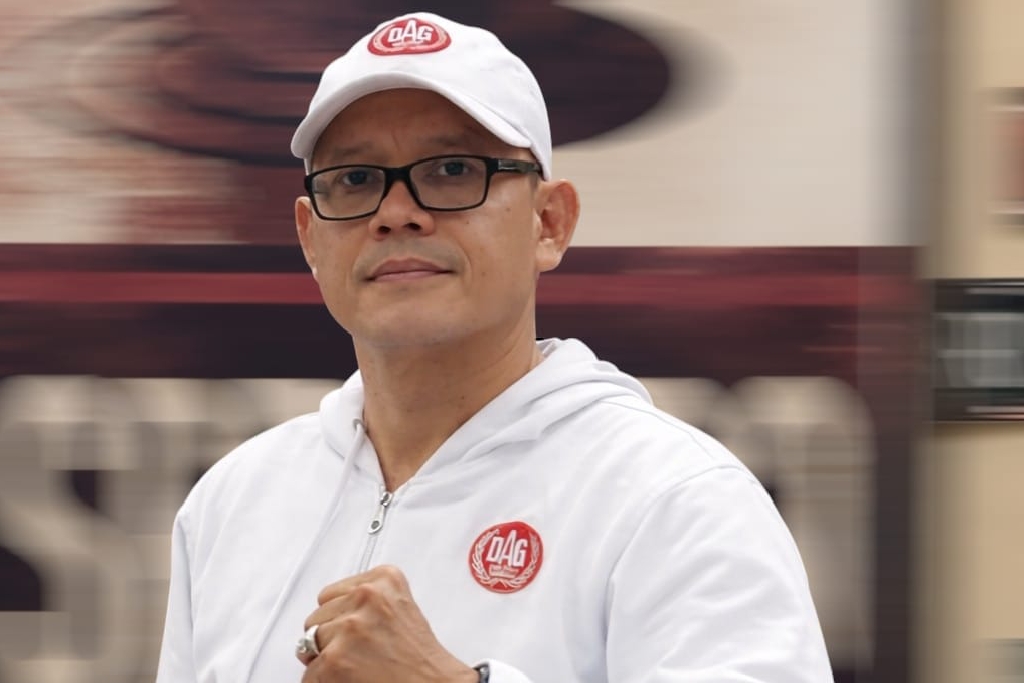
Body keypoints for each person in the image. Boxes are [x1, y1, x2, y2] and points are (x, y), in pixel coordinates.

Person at [155, 11, 834, 683]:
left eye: (452, 170)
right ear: (310, 236)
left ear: (549, 222)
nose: (396, 212)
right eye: (356, 179)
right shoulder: (234, 502)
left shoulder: (674, 497)